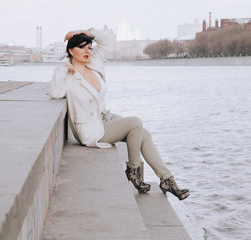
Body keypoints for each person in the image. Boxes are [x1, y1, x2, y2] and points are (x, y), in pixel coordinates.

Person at [47, 27, 189, 200]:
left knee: (144, 134)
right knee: (135, 122)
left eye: (89, 47)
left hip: (105, 117)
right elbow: (55, 93)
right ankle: (133, 171)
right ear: (70, 50)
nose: (87, 51)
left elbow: (105, 39)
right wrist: (62, 70)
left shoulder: (94, 64)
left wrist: (84, 31)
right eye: (82, 47)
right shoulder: (67, 76)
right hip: (92, 129)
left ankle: (167, 179)